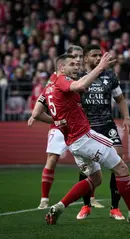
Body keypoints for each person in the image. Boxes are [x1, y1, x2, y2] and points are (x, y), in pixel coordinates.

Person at [31, 53, 130, 225]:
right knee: (121, 167)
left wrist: (57, 121)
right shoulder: (61, 80)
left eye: (78, 64)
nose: (77, 67)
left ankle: (60, 206)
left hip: (74, 143)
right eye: (72, 64)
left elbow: (36, 113)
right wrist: (100, 68)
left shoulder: (49, 88)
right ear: (61, 68)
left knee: (96, 178)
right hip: (84, 137)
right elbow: (80, 84)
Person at [30, 45, 104, 210]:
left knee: (89, 159)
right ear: (66, 59)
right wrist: (41, 114)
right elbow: (44, 96)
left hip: (77, 123)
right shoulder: (57, 76)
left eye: (80, 56)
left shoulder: (80, 74)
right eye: (74, 56)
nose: (78, 59)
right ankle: (44, 199)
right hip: (61, 125)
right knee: (52, 158)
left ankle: (90, 199)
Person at [76, 44, 130, 220]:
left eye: (99, 55)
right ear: (85, 58)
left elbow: (120, 99)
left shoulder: (109, 75)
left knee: (118, 161)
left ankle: (114, 208)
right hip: (87, 127)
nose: (98, 58)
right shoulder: (78, 77)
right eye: (94, 55)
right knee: (87, 167)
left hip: (107, 126)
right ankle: (86, 205)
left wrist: (127, 118)